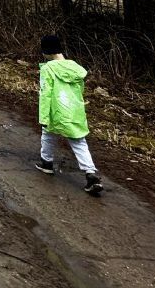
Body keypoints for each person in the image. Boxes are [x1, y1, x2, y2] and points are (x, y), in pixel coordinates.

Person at [34, 34, 103, 196]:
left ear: (46, 51)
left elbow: (45, 94)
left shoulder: (47, 69)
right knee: (79, 141)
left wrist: (43, 117)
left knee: (48, 134)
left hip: (55, 110)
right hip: (74, 110)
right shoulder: (75, 68)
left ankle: (47, 163)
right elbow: (80, 91)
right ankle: (90, 173)